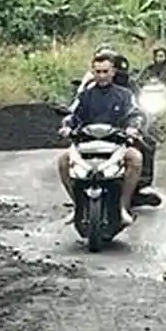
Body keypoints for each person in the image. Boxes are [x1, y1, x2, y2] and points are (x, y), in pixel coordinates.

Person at [57, 53, 146, 228]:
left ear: (113, 72)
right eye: (98, 72)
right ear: (93, 72)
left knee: (135, 158)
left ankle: (123, 207)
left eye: (105, 71)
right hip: (86, 144)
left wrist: (133, 128)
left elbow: (135, 114)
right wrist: (66, 127)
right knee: (63, 161)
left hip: (116, 143)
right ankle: (78, 207)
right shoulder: (85, 96)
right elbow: (73, 115)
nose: (102, 75)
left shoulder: (125, 95)